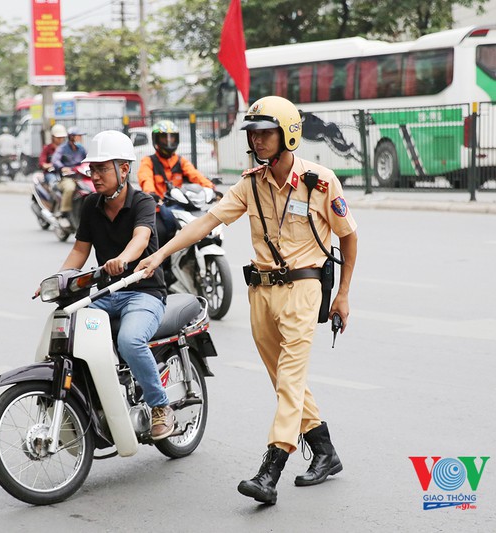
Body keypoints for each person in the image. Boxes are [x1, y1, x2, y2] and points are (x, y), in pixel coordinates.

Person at [137, 96, 358, 505]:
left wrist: (342, 294)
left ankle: (270, 470)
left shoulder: (321, 181)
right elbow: (207, 221)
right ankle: (325, 452)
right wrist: (161, 253)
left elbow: (348, 235)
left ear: (288, 134)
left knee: (290, 379)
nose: (257, 141)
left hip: (305, 289)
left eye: (266, 133)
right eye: (253, 134)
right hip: (261, 293)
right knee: (283, 381)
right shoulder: (250, 183)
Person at [44, 130, 175, 440]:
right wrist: (58, 280)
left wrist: (123, 261)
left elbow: (141, 238)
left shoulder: (142, 201)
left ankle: (160, 407)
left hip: (143, 291)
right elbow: (80, 249)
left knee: (130, 341)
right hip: (105, 293)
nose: (95, 175)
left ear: (123, 170)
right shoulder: (90, 204)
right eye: (93, 169)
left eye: (102, 168)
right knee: (67, 329)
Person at [137, 120, 216, 245]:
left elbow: (195, 175)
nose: (169, 142)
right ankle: (160, 263)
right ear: (156, 140)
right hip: (158, 207)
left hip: (179, 206)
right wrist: (150, 193)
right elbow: (145, 178)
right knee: (159, 232)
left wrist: (211, 188)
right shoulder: (148, 161)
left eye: (172, 138)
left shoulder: (180, 161)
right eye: (164, 138)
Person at [50, 126, 87, 225]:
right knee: (70, 188)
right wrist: (62, 167)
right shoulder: (62, 148)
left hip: (81, 177)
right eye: (78, 136)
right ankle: (64, 213)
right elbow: (55, 160)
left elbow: (88, 159)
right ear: (71, 137)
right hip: (67, 178)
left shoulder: (81, 149)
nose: (80, 138)